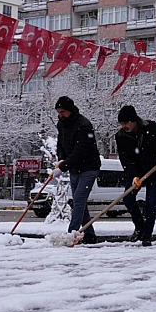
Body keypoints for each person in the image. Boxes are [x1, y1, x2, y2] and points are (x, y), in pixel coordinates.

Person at [115, 105, 156, 246]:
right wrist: (134, 175)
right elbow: (125, 158)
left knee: (151, 204)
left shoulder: (151, 128)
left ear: (134, 121)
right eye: (122, 124)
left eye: (126, 123)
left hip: (154, 171)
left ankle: (147, 235)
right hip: (135, 173)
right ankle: (140, 227)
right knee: (128, 200)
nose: (124, 126)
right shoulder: (120, 136)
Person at [52, 96, 101, 244]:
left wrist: (63, 166)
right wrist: (61, 159)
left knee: (78, 199)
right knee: (81, 202)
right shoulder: (61, 124)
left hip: (89, 167)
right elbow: (60, 144)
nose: (60, 115)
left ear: (70, 110)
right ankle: (90, 234)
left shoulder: (83, 125)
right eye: (58, 112)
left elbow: (80, 151)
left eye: (63, 112)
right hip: (74, 168)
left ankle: (71, 233)